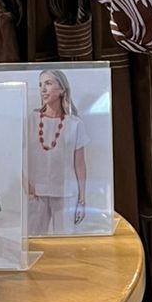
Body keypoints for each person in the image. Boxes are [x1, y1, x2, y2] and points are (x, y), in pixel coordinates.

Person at [27, 68, 88, 235]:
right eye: (40, 85)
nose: (43, 89)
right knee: (34, 240)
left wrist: (82, 200)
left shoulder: (75, 124)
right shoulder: (30, 121)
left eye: (48, 83)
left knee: (64, 241)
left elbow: (80, 165)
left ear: (62, 89)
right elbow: (17, 156)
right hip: (36, 194)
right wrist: (26, 185)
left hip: (65, 194)